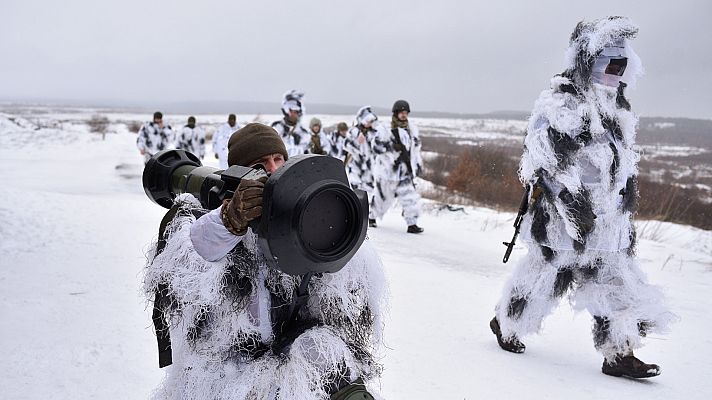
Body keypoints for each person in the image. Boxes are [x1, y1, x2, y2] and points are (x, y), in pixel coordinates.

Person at [489, 16, 675, 379]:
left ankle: (619, 353)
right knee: (544, 279)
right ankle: (506, 323)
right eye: (610, 63)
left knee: (617, 283)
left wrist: (621, 210)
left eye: (622, 65)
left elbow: (620, 166)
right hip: (563, 224)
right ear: (588, 60)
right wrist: (574, 208)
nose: (616, 71)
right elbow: (544, 163)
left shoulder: (615, 107)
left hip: (608, 225)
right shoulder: (563, 103)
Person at [143, 123, 386, 399]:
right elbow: (192, 265)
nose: (272, 169)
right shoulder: (212, 221)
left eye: (278, 159)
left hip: (285, 355)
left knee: (327, 353)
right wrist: (230, 222)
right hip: (226, 369)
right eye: (260, 163)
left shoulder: (297, 216)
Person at [370, 100, 424, 234]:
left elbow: (415, 150)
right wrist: (390, 147)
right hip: (387, 172)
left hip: (405, 171)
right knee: (381, 199)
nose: (404, 115)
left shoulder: (412, 129)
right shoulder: (385, 128)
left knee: (410, 198)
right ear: (396, 113)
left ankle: (412, 224)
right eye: (401, 113)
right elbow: (375, 147)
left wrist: (417, 165)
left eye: (406, 113)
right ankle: (371, 217)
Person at [343, 106, 385, 228]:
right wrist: (357, 142)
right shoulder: (353, 131)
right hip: (355, 166)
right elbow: (346, 145)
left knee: (370, 191)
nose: (369, 124)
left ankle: (369, 217)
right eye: (367, 121)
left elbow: (379, 149)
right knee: (354, 190)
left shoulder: (375, 133)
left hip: (369, 167)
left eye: (371, 121)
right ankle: (354, 215)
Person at [271, 90, 310, 157]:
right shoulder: (276, 128)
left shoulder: (303, 133)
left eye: (296, 112)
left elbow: (306, 152)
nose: (293, 114)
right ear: (285, 111)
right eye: (290, 111)